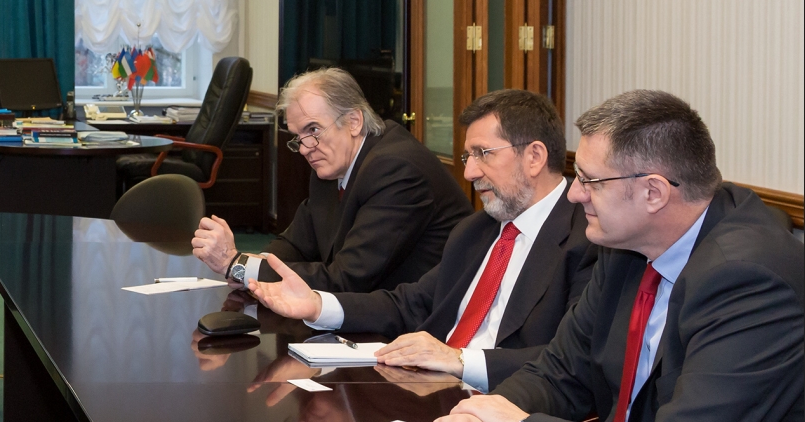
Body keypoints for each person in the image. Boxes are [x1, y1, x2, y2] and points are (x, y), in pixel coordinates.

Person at [428, 90, 803, 422]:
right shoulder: (624, 244)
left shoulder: (747, 279)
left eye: (590, 181)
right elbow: (561, 372)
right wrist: (483, 413)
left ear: (653, 192)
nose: (574, 193)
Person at [247, 90, 597, 390]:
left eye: (483, 153)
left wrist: (460, 360)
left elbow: (571, 357)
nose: (469, 172)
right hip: (430, 391)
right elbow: (412, 304)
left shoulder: (588, 242)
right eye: (468, 156)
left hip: (509, 402)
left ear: (534, 157)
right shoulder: (476, 231)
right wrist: (318, 306)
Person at [193, 67, 470, 292]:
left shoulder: (396, 170)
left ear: (354, 122)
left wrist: (239, 265)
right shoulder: (332, 162)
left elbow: (348, 278)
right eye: (298, 136)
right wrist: (251, 267)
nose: (304, 148)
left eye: (313, 129)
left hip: (429, 321)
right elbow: (297, 243)